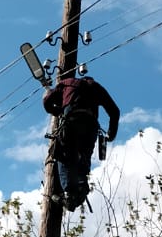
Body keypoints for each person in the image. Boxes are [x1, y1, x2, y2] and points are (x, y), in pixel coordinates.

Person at [43, 72, 120, 210]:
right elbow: (114, 111)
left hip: (72, 121)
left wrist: (57, 111)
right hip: (90, 127)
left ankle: (69, 195)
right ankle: (81, 185)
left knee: (63, 154)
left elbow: (47, 101)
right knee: (83, 156)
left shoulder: (67, 82)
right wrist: (111, 134)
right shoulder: (96, 87)